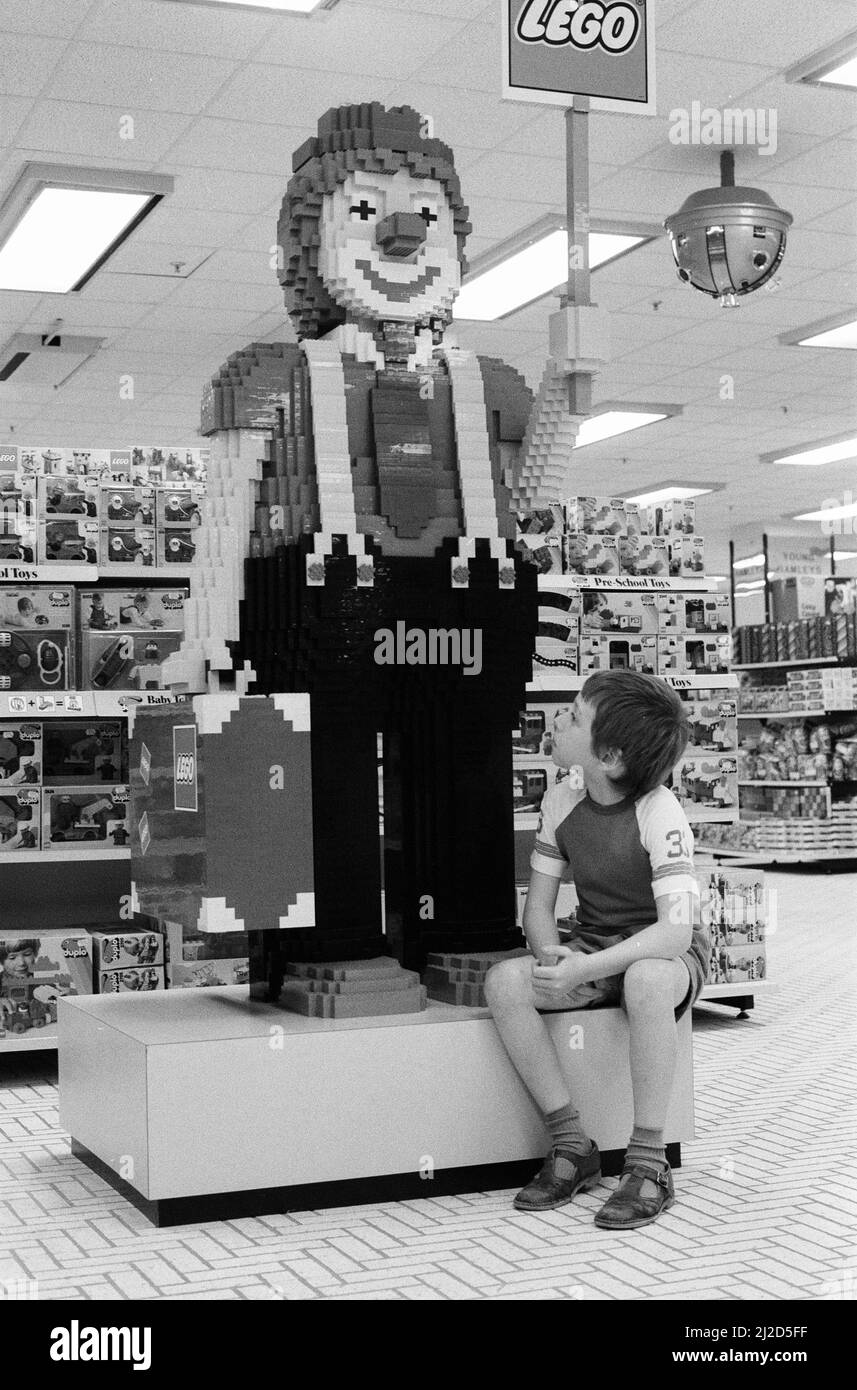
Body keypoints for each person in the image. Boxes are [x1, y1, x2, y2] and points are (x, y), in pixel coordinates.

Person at [485, 670, 709, 1230]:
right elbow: (537, 910)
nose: (559, 719)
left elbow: (674, 933)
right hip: (592, 946)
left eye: (575, 716)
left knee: (646, 980)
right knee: (505, 983)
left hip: (666, 955)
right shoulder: (560, 800)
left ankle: (649, 1163)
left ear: (608, 757)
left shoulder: (660, 811)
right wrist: (550, 960)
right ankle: (571, 1144)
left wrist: (588, 965)